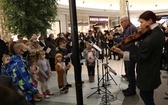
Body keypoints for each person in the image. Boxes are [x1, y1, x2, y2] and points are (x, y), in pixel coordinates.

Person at [112, 10, 165, 105]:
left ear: (149, 21)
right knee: (148, 95)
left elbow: (140, 57)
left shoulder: (152, 37)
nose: (140, 26)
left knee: (145, 95)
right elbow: (146, 47)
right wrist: (137, 41)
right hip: (152, 68)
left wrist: (122, 53)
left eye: (141, 22)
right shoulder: (156, 32)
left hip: (148, 71)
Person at [112, 15, 138, 96]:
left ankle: (132, 90)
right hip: (127, 53)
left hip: (130, 53)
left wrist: (113, 38)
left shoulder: (131, 28)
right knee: (128, 72)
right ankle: (130, 87)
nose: (121, 24)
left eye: (122, 22)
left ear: (126, 21)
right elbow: (124, 38)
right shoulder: (127, 28)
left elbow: (125, 40)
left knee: (130, 72)